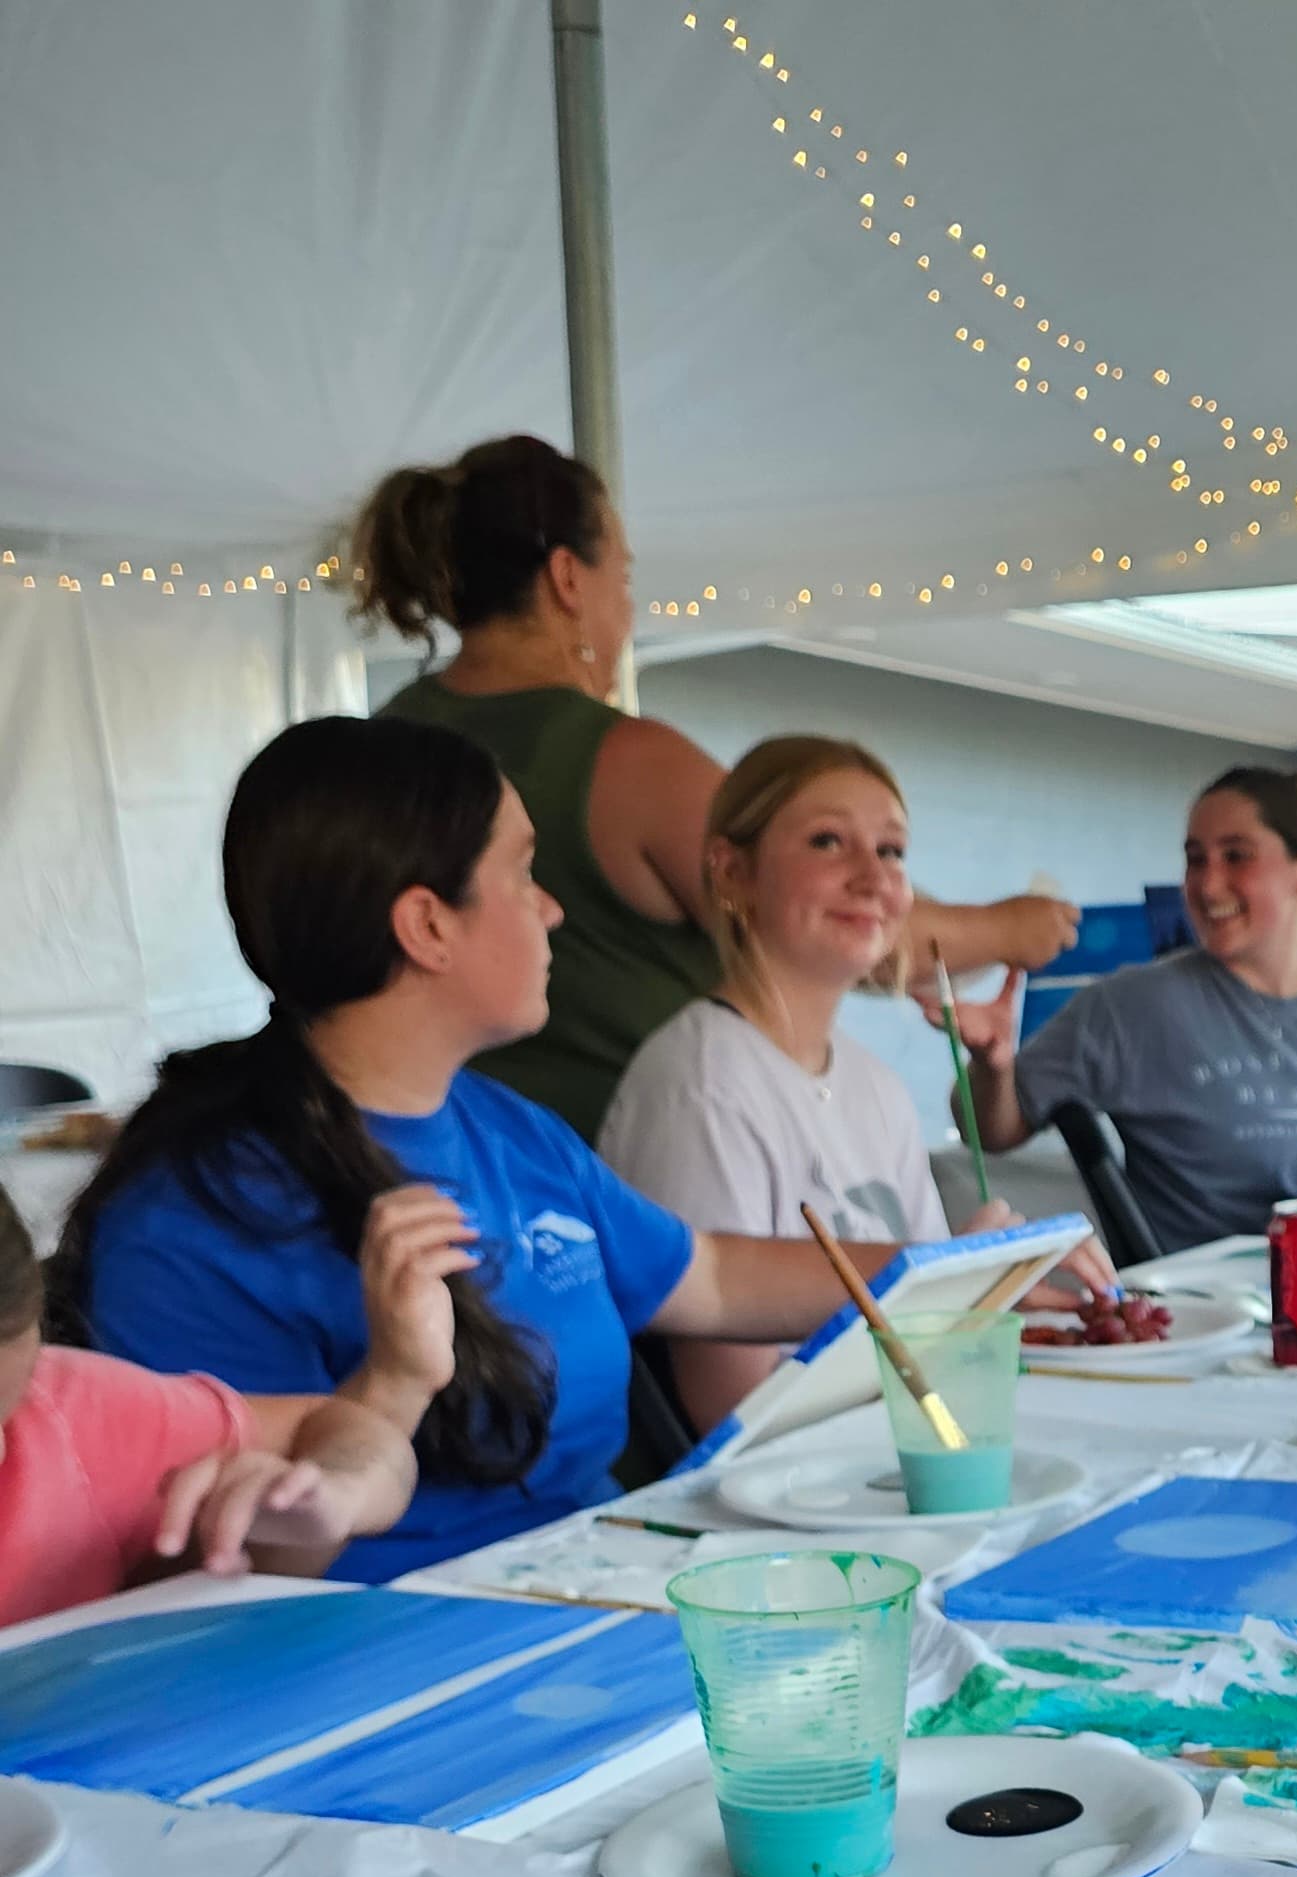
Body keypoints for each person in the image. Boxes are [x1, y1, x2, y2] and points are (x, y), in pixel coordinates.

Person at [55, 719, 935, 1582]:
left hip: (593, 1592)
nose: (550, 907)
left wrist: (962, 1268)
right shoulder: (190, 1220)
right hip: (400, 1659)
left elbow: (706, 1276)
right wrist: (387, 1386)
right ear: (428, 927)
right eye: (523, 872)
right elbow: (229, 1577)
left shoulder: (508, 1126)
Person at [352, 435, 1079, 1143]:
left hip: (419, 1159)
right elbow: (830, 924)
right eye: (623, 580)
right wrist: (1015, 927)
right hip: (628, 1175)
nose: (627, 613)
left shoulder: (379, 742)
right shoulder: (623, 761)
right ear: (568, 579)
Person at [600, 731, 1061, 1431]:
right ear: (731, 873)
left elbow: (933, 1324)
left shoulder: (875, 1087)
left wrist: (995, 1275)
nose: (874, 879)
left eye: (892, 851)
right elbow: (734, 1410)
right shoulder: (698, 1083)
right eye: (827, 842)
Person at [953, 764, 1297, 1252]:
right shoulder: (1131, 1007)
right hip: (1204, 1308)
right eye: (1195, 860)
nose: (1207, 885)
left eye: (1236, 857)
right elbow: (988, 1130)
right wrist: (994, 1067)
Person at [0, 1182, 422, 1623]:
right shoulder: (166, 1234)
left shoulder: (64, 1411)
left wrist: (337, 1492)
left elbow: (351, 1430)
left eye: (14, 1395)